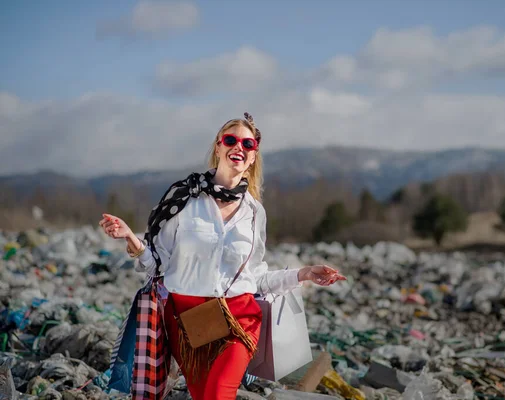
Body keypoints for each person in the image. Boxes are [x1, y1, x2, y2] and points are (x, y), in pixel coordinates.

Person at [99, 113, 346, 400]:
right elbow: (157, 265)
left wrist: (303, 274)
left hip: (239, 320)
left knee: (217, 393)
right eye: (231, 140)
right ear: (218, 147)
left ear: (253, 156)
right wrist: (131, 239)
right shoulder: (183, 199)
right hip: (187, 321)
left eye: (248, 143)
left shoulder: (254, 213)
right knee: (204, 395)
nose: (238, 147)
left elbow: (255, 278)